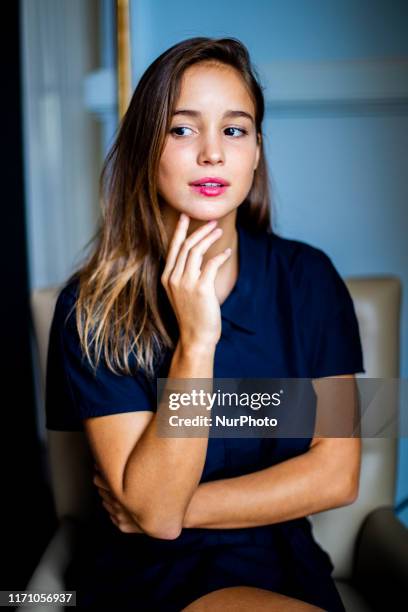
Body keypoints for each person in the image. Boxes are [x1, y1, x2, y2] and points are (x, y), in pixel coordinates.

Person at [45, 37, 365, 611]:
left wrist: (176, 507)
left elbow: (337, 475)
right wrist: (197, 342)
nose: (213, 153)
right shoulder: (89, 307)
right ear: (148, 148)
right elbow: (157, 521)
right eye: (183, 129)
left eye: (235, 130)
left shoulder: (311, 279)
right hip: (153, 576)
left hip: (286, 563)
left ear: (257, 151)